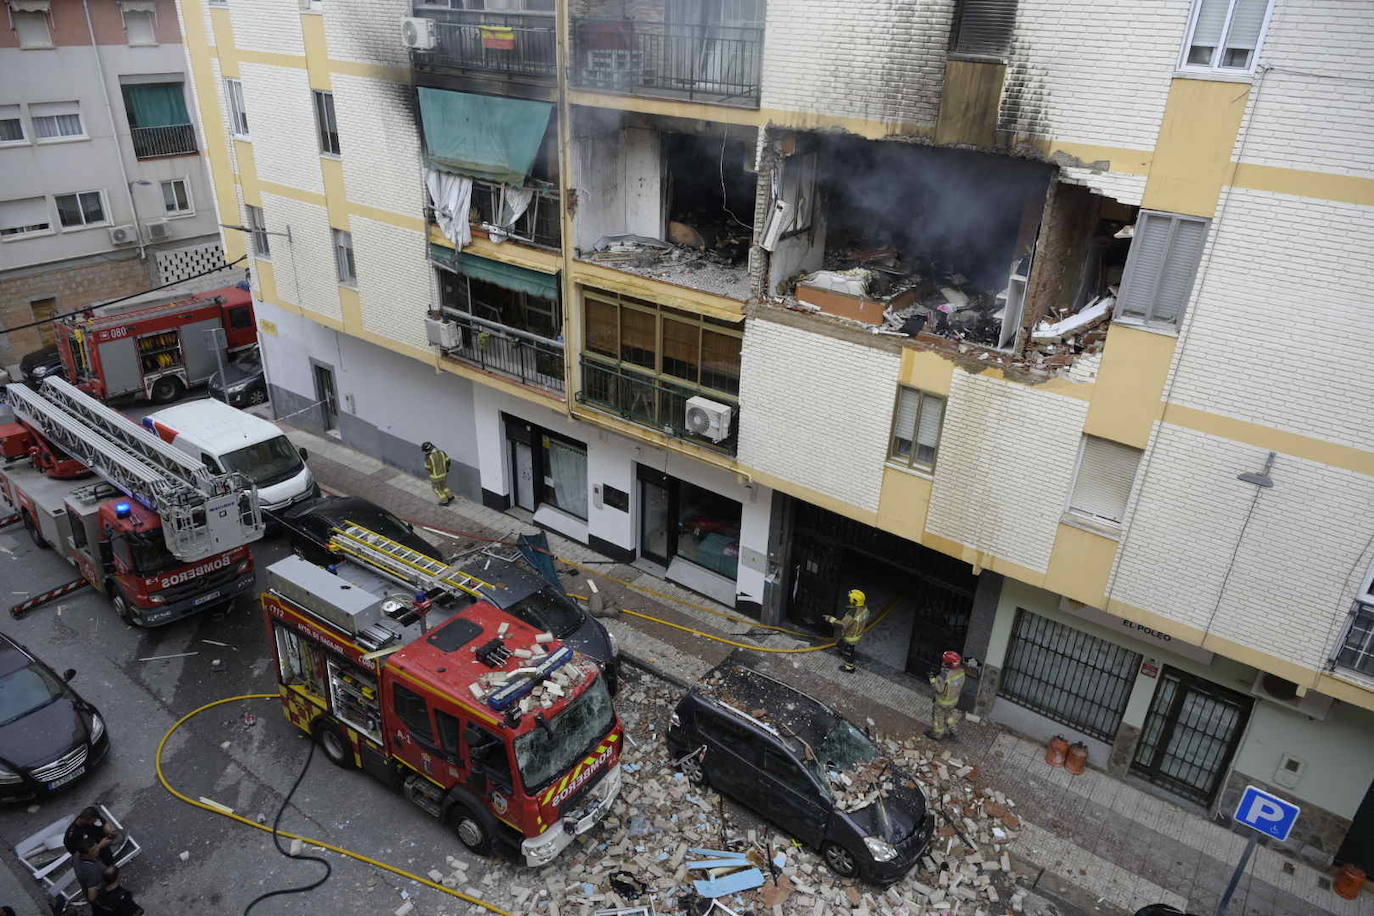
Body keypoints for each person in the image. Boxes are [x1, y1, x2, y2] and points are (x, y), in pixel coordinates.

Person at [823, 589, 869, 674]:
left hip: (851, 636)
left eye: (851, 598)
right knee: (841, 643)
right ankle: (841, 649)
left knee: (849, 651)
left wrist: (830, 619)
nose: (849, 599)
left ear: (855, 601)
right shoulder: (864, 609)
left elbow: (842, 625)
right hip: (857, 633)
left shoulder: (852, 613)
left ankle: (849, 667)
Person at [925, 651, 965, 742]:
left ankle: (938, 734)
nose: (943, 663)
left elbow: (939, 689)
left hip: (942, 702)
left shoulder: (944, 676)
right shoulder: (961, 672)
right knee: (949, 717)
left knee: (938, 717)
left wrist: (932, 678)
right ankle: (954, 732)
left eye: (945, 662)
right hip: (953, 700)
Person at [73, 838, 112, 914]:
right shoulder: (92, 872)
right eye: (94, 849)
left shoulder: (76, 855)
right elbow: (92, 897)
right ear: (86, 854)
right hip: (102, 898)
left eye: (96, 847)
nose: (98, 849)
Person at [421, 441, 454, 506]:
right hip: (444, 474)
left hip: (435, 477)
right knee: (445, 487)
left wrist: (431, 473)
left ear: (427, 450)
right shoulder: (442, 452)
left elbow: (427, 468)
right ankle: (450, 497)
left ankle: (444, 501)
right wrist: (446, 469)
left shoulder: (428, 457)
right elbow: (448, 461)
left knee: (436, 489)